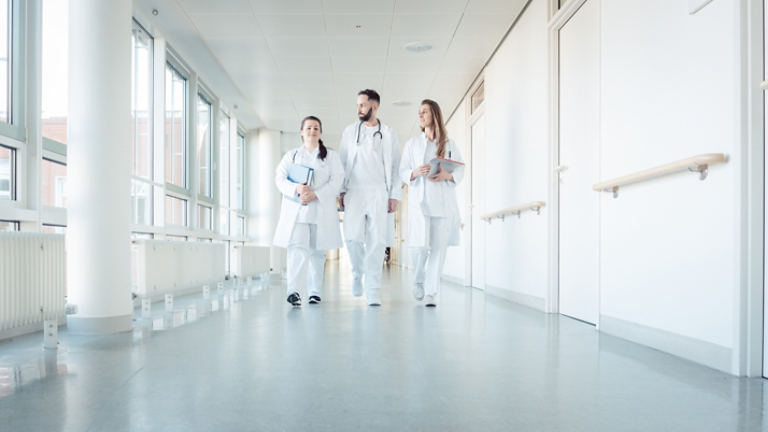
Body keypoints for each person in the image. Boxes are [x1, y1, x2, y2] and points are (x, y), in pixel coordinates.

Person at [398, 99, 465, 307]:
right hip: (421, 204)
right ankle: (418, 279)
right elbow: (402, 171)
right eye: (419, 112)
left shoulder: (449, 144)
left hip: (442, 206)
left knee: (438, 249)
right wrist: (415, 172)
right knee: (419, 247)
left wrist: (447, 175)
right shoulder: (413, 144)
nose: (420, 115)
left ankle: (431, 293)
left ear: (434, 114)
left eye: (424, 111)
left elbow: (461, 168)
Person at [339, 89, 402, 306]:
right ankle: (357, 273)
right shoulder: (349, 132)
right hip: (354, 190)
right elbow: (342, 162)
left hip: (378, 191)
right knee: (352, 237)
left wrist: (394, 195)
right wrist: (341, 190)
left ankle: (373, 289)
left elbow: (395, 166)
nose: (358, 109)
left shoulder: (389, 133)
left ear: (374, 107)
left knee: (377, 241)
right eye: (357, 105)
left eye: (362, 105)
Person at [273, 116, 344, 306]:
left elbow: (337, 180)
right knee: (297, 249)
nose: (312, 131)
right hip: (298, 212)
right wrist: (296, 189)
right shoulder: (291, 156)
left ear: (320, 132)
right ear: (301, 132)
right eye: (308, 128)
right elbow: (280, 179)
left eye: (316, 128)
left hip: (320, 209)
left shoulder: (331, 156)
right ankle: (294, 291)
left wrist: (316, 195)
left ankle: (314, 292)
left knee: (317, 253)